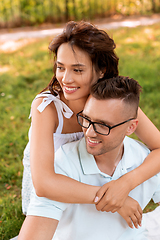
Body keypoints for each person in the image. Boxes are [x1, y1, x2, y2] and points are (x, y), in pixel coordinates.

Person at [21, 21, 160, 227]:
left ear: (101, 70)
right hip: (59, 192)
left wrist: (124, 185)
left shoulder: (112, 102)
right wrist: (114, 199)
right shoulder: (47, 107)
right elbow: (43, 184)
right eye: (60, 67)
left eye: (77, 70)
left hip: (101, 182)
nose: (65, 79)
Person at [18, 76, 160, 240]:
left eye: (103, 125)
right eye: (86, 119)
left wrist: (125, 184)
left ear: (131, 127)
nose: (89, 133)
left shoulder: (144, 159)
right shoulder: (63, 166)